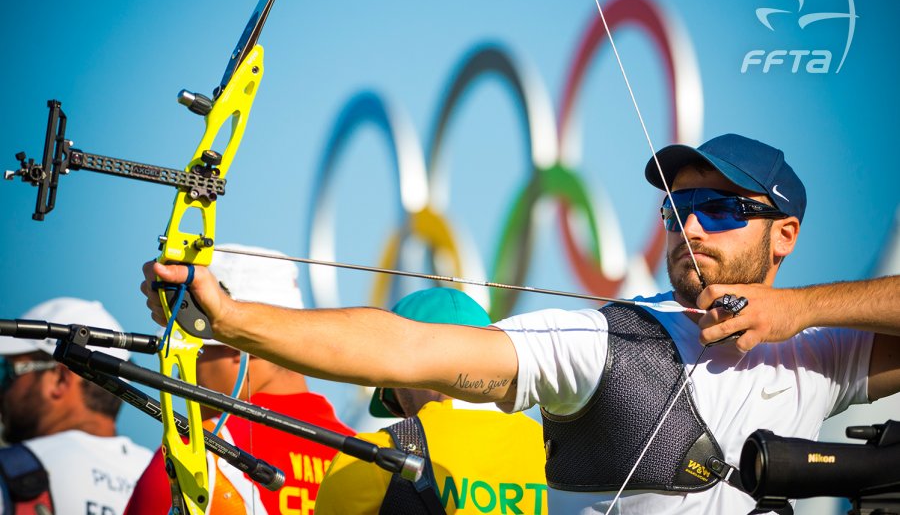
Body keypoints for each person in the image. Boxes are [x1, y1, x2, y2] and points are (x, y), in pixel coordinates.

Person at [141, 134, 900, 514]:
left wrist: (798, 310)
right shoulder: (615, 343)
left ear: (785, 235)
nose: (691, 229)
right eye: (677, 210)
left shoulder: (820, 354)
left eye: (722, 209)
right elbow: (408, 349)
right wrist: (231, 319)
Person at [126, 244, 354, 515]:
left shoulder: (192, 457)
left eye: (191, 352)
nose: (180, 371)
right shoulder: (364, 458)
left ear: (236, 345)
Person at [315, 287, 548, 514]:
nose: (401, 417)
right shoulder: (554, 451)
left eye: (391, 402)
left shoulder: (367, 460)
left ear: (399, 368)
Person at [0, 297, 153, 515]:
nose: (2, 391)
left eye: (8, 373)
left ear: (60, 379)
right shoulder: (172, 478)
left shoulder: (10, 473)